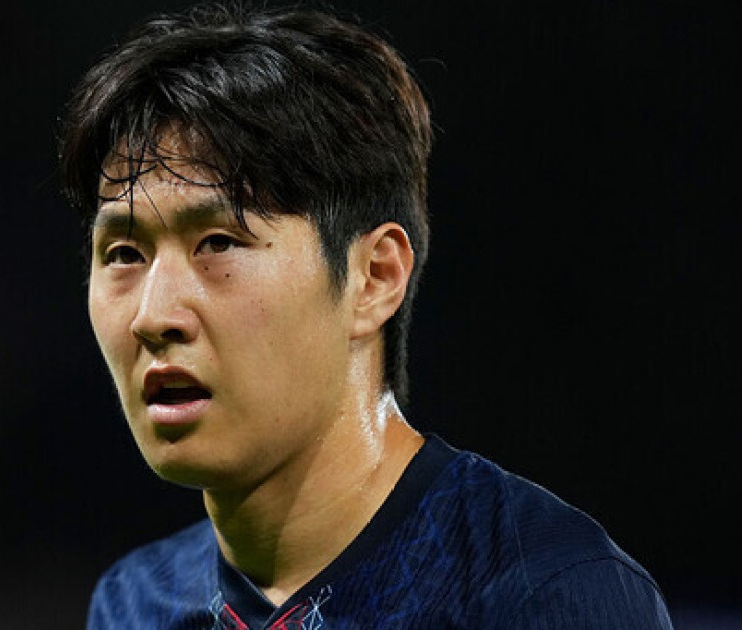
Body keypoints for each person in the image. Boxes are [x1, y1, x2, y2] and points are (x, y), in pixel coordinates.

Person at [57, 3, 674, 628]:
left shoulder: (545, 592)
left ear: (375, 277)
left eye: (218, 242)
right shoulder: (132, 604)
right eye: (124, 253)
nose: (153, 316)